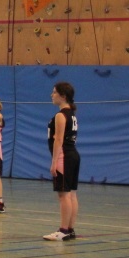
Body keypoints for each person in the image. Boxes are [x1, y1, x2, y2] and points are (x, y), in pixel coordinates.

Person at [43, 81, 80, 241]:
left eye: (54, 92)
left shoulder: (61, 115)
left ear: (63, 96)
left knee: (63, 195)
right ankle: (70, 229)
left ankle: (63, 230)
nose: (52, 95)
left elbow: (58, 140)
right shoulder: (71, 114)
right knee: (71, 194)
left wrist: (54, 163)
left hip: (64, 157)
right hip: (73, 155)